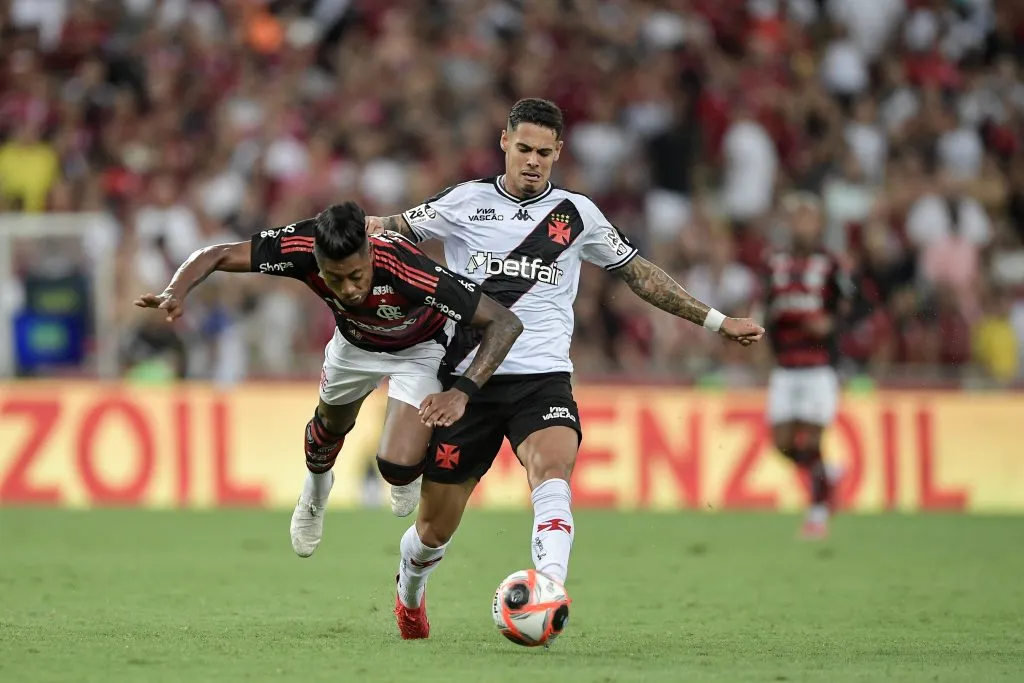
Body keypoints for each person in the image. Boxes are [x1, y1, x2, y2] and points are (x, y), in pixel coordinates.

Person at [366, 98, 765, 639]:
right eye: (524, 148)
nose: (533, 161)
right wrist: (316, 238)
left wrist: (716, 321)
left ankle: (549, 590)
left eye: (544, 153)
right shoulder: (465, 201)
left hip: (542, 379)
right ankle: (409, 591)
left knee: (552, 472)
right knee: (434, 528)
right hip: (466, 381)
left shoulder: (577, 215)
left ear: (559, 153)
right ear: (505, 141)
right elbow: (387, 230)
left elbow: (641, 275)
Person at [134, 201, 524, 556]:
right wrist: (175, 290)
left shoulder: (407, 269)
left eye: (357, 275)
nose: (350, 289)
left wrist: (463, 391)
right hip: (354, 345)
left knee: (396, 466)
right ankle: (316, 493)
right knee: (329, 429)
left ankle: (405, 473)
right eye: (335, 279)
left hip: (418, 349)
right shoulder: (298, 249)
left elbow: (504, 323)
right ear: (316, 261)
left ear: (370, 252)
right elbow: (216, 254)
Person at [761, 192, 853, 540]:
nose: (800, 224)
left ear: (818, 224)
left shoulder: (831, 264)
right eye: (795, 217)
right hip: (785, 366)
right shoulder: (774, 263)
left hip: (818, 367)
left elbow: (853, 307)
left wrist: (830, 324)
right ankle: (828, 473)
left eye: (807, 217)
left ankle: (817, 511)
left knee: (812, 439)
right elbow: (767, 304)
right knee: (782, 442)